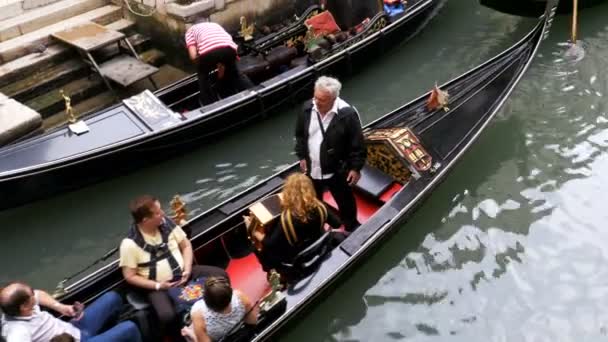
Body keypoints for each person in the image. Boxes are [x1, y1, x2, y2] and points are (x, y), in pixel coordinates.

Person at [119, 195, 228, 335]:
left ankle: (221, 314)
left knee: (221, 275)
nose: (163, 214)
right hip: (158, 287)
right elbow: (130, 276)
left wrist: (187, 269)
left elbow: (186, 245)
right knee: (167, 316)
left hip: (185, 273)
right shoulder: (129, 244)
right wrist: (158, 285)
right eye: (158, 213)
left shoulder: (166, 223)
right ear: (146, 220)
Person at [295, 76, 366, 232]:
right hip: (312, 167)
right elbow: (300, 136)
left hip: (338, 168)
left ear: (334, 99)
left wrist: (355, 168)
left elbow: (358, 145)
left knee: (345, 200)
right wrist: (302, 156)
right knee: (313, 201)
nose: (317, 102)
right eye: (316, 97)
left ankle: (351, 226)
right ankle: (317, 228)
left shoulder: (347, 115)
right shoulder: (307, 108)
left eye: (322, 100)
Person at [247, 173, 344, 272]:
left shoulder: (286, 220)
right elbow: (337, 223)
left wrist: (256, 233)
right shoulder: (320, 206)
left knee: (261, 249)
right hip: (319, 246)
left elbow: (270, 244)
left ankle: (274, 273)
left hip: (298, 258)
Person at [0, 282, 141, 342]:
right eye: (30, 294)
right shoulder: (17, 332)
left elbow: (39, 294)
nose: (34, 293)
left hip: (75, 329)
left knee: (112, 298)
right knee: (130, 327)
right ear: (23, 306)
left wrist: (61, 307)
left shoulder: (22, 306)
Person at [185, 21, 253, 106]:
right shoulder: (215, 24)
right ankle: (253, 93)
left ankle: (209, 105)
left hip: (209, 52)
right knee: (235, 74)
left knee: (203, 76)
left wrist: (202, 67)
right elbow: (223, 41)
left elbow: (193, 56)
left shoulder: (190, 31)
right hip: (229, 48)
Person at [180, 276, 258, 342]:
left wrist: (192, 335)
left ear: (205, 299)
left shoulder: (198, 313)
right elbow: (252, 322)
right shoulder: (240, 297)